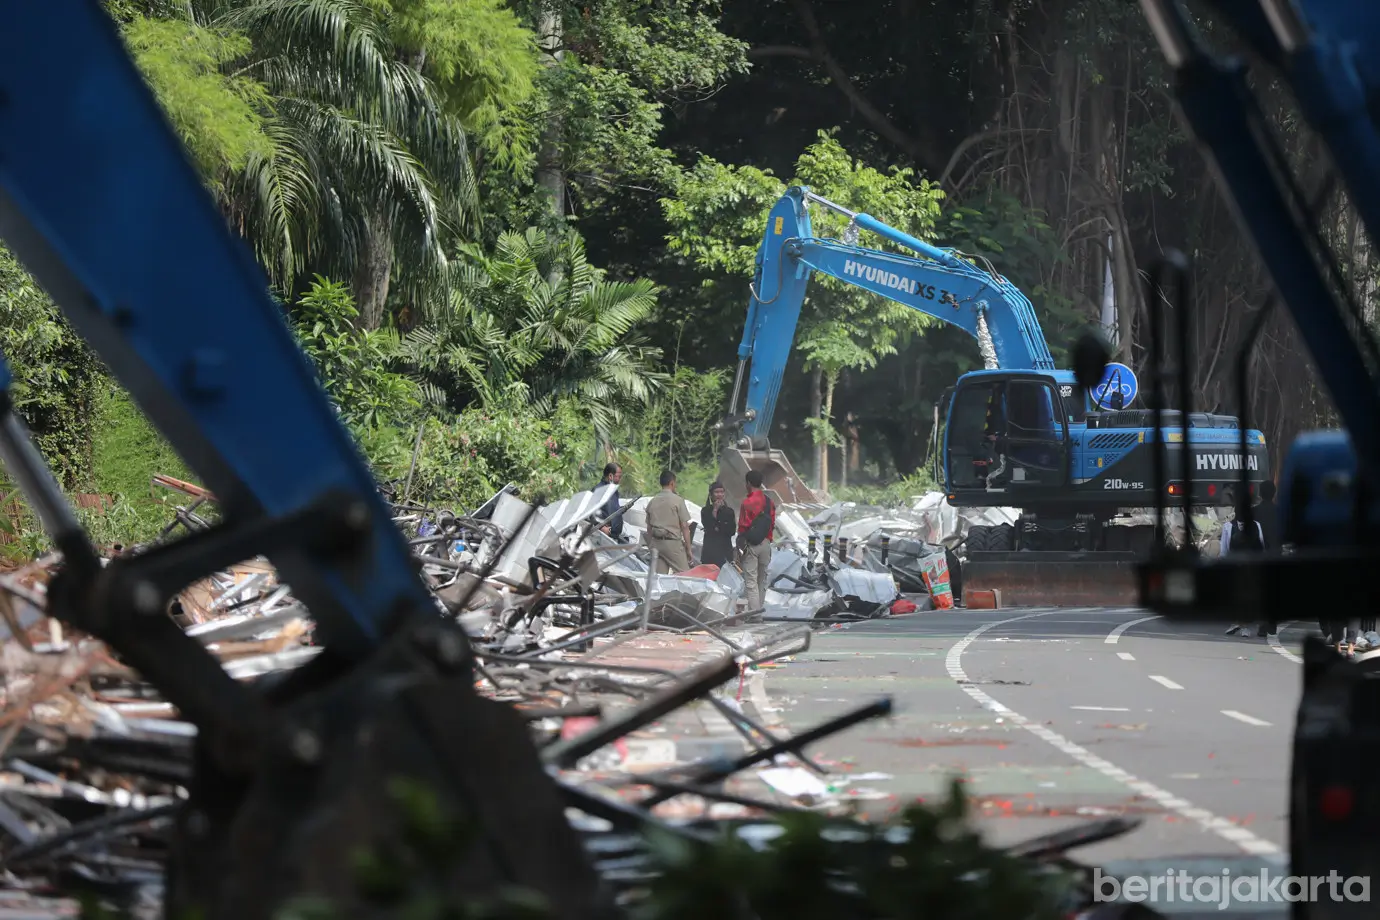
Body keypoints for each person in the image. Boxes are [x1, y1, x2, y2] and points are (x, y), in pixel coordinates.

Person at [1220, 488, 1266, 637]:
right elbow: (1224, 549)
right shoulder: (1228, 527)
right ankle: (1237, 622)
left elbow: (1260, 547)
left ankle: (1244, 625)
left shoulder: (1256, 526)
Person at [737, 470, 776, 613]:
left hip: (751, 545)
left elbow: (742, 527)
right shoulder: (769, 502)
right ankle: (759, 610)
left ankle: (754, 614)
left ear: (748, 483)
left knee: (751, 581)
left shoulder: (747, 503)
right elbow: (772, 524)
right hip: (766, 543)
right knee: (762, 580)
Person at [645, 470, 693, 574]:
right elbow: (685, 527)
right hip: (673, 545)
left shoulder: (652, 501)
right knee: (685, 575)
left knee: (658, 578)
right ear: (672, 483)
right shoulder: (678, 501)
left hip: (656, 544)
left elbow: (648, 529)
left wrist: (651, 546)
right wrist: (689, 549)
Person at [699, 481, 736, 567]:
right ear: (711, 495)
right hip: (710, 551)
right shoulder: (705, 511)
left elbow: (732, 531)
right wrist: (715, 511)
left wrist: (719, 527)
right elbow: (709, 527)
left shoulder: (729, 512)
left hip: (724, 551)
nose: (719, 494)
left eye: (721, 492)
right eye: (716, 492)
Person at [594, 462, 624, 539]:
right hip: (603, 536)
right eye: (619, 477)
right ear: (610, 476)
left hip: (614, 535)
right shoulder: (598, 490)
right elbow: (591, 513)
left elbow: (610, 509)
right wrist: (602, 528)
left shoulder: (613, 491)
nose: (620, 480)